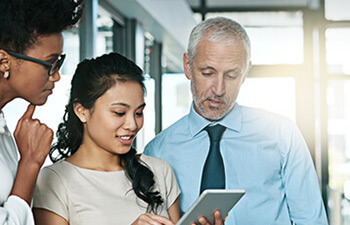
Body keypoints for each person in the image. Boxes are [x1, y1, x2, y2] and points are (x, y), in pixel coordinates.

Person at [144, 17, 329, 225]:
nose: (219, 90)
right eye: (207, 73)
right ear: (187, 66)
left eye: (231, 76)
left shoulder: (281, 134)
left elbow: (312, 221)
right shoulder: (158, 151)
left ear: (245, 73)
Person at [32, 53, 182, 225]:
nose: (132, 124)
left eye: (139, 113)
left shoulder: (159, 171)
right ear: (81, 111)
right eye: (119, 112)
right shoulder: (54, 180)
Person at [0, 0, 83, 224]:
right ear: (4, 61)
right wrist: (30, 163)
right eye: (51, 63)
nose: (56, 76)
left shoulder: (4, 127)